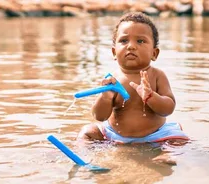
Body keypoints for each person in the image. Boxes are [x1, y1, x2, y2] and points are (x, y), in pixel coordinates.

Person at [77, 12, 189, 165]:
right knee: (88, 132)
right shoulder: (111, 80)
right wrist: (106, 97)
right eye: (123, 41)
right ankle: (85, 154)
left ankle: (167, 154)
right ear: (114, 52)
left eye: (141, 41)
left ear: (154, 53)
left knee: (179, 139)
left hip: (155, 135)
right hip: (115, 136)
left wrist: (151, 96)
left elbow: (168, 108)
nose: (131, 46)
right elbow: (100, 116)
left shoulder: (157, 76)